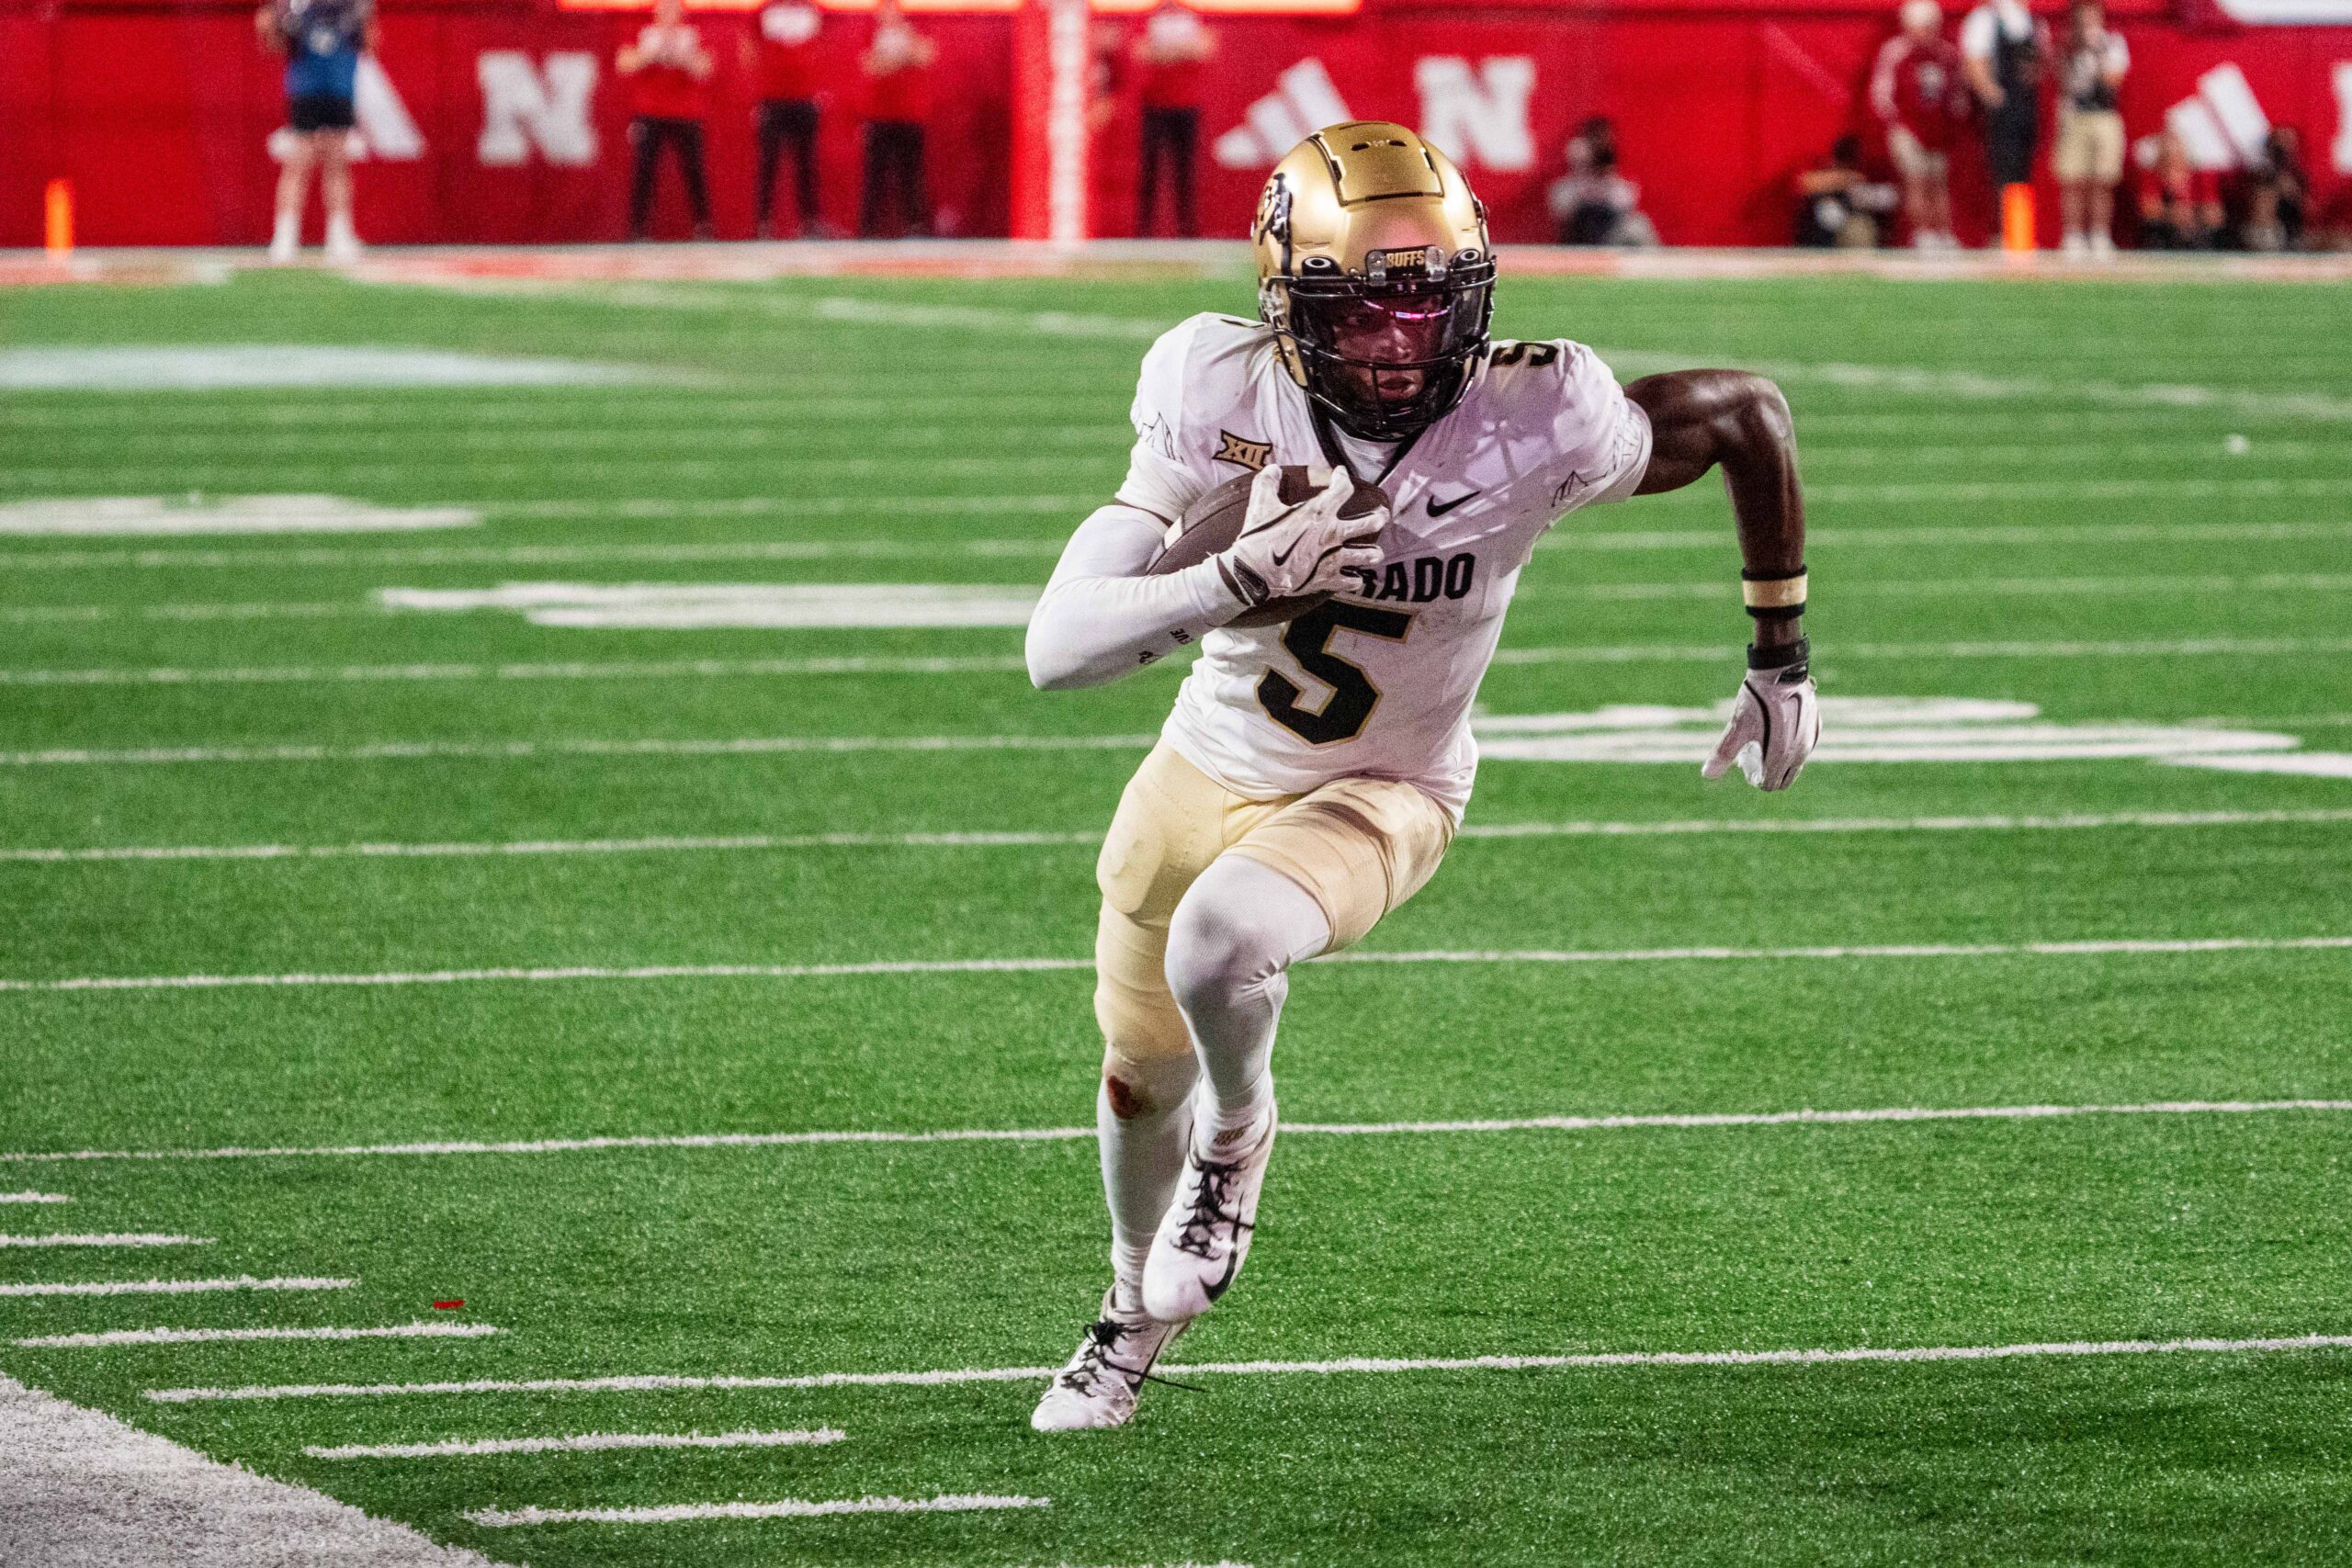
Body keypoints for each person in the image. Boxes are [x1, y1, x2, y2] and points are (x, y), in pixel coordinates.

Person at [1024, 121, 1820, 1431]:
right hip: (1201, 764)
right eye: (1362, 313)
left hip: (1387, 786)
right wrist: (1238, 573)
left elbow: (1747, 411)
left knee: (1228, 940)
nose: (1400, 344)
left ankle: (1239, 1146)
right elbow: (1057, 651)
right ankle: (1125, 1314)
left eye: (1427, 307)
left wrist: (1779, 651)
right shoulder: (1214, 393)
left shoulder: (1533, 413)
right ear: (1285, 303)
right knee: (1131, 1073)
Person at [256, 0, 376, 265]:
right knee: (299, 161)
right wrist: (275, 25)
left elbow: (369, 42)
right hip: (306, 87)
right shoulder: (295, 5)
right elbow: (272, 42)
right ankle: (285, 236)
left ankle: (339, 234)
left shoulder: (353, 5)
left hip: (340, 85)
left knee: (337, 161)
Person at [1870, 0, 1968, 249]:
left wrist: (1952, 120)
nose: (1927, 31)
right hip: (1908, 129)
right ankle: (1923, 234)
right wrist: (1901, 122)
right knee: (1917, 180)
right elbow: (1881, 93)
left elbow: (1957, 93)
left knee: (1939, 182)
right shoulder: (1895, 51)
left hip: (1939, 129)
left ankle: (1944, 233)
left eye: (1931, 26)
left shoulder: (1946, 54)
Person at [617, 0, 714, 241]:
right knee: (644, 171)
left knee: (694, 171)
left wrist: (682, 57)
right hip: (650, 112)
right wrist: (652, 53)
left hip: (686, 113)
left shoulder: (693, 34)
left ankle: (703, 225)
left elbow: (706, 68)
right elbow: (624, 63)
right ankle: (637, 228)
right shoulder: (642, 31)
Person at [1960, 0, 2050, 228]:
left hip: (2026, 105)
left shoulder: (2031, 20)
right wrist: (1994, 95)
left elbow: (2039, 63)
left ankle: (2019, 232)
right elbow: (1974, 61)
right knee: (2004, 171)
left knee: (2023, 172)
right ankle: (2006, 230)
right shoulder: (1985, 18)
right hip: (2003, 109)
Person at [2052, 0, 2128, 255]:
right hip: (2075, 116)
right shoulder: (2067, 45)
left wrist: (2097, 52)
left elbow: (2112, 80)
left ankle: (2099, 234)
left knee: (2102, 179)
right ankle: (2073, 235)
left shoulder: (2112, 43)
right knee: (2074, 178)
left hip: (2104, 116)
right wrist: (2075, 53)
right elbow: (2062, 83)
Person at [1134, 0, 1214, 237]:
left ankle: (1187, 229)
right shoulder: (1149, 17)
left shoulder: (1192, 16)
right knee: (1150, 170)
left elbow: (1206, 48)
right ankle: (1144, 230)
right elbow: (1140, 52)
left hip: (1186, 105)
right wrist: (1181, 50)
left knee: (1185, 170)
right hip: (1155, 105)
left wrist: (1165, 51)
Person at [747, 0, 826, 239]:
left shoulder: (812, 11)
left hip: (804, 97)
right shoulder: (764, 12)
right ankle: (763, 222)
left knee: (806, 163)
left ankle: (810, 222)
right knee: (768, 163)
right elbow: (749, 50)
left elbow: (820, 49)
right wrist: (757, 91)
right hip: (772, 98)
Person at [860, 0, 936, 237]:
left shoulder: (911, 31)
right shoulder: (869, 33)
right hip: (879, 115)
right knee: (876, 177)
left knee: (911, 175)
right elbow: (871, 66)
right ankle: (870, 227)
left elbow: (927, 55)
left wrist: (896, 55)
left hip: (909, 115)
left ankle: (915, 225)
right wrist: (903, 58)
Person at [1546, 118, 1658, 246]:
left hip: (1610, 237)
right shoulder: (1567, 185)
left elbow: (1626, 203)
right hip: (1579, 237)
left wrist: (1604, 180)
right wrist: (1583, 175)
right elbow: (1562, 209)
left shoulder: (1615, 183)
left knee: (1639, 225)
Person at [1794, 136, 1900, 247]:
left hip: (1861, 229)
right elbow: (1804, 183)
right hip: (1821, 241)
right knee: (1831, 212)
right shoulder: (1823, 178)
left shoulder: (1871, 176)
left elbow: (1889, 197)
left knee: (1858, 228)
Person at [2136, 128, 2222, 250]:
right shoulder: (2151, 175)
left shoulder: (2200, 176)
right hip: (2165, 227)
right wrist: (2171, 213)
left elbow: (2215, 213)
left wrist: (2194, 213)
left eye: (2175, 148)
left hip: (2196, 225)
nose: (2170, 153)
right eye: (2166, 148)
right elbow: (2148, 208)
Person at [2239, 126, 2309, 253]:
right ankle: (2265, 237)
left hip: (2292, 230)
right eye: (2279, 144)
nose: (2283, 150)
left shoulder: (2299, 174)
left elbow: (2305, 203)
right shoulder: (2261, 172)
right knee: (2264, 194)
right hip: (2264, 230)